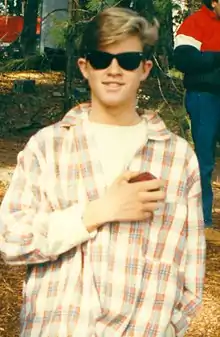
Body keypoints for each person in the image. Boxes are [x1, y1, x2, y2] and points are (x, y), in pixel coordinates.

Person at [0, 7, 205, 337]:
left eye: (126, 61)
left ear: (145, 69)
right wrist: (94, 213)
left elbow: (190, 274)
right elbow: (9, 239)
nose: (113, 70)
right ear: (84, 67)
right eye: (101, 59)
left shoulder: (178, 159)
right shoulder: (48, 147)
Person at [173, 0, 220, 228]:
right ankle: (203, 220)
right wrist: (216, 58)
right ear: (214, 2)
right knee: (205, 161)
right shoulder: (195, 23)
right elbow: (184, 59)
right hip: (205, 97)